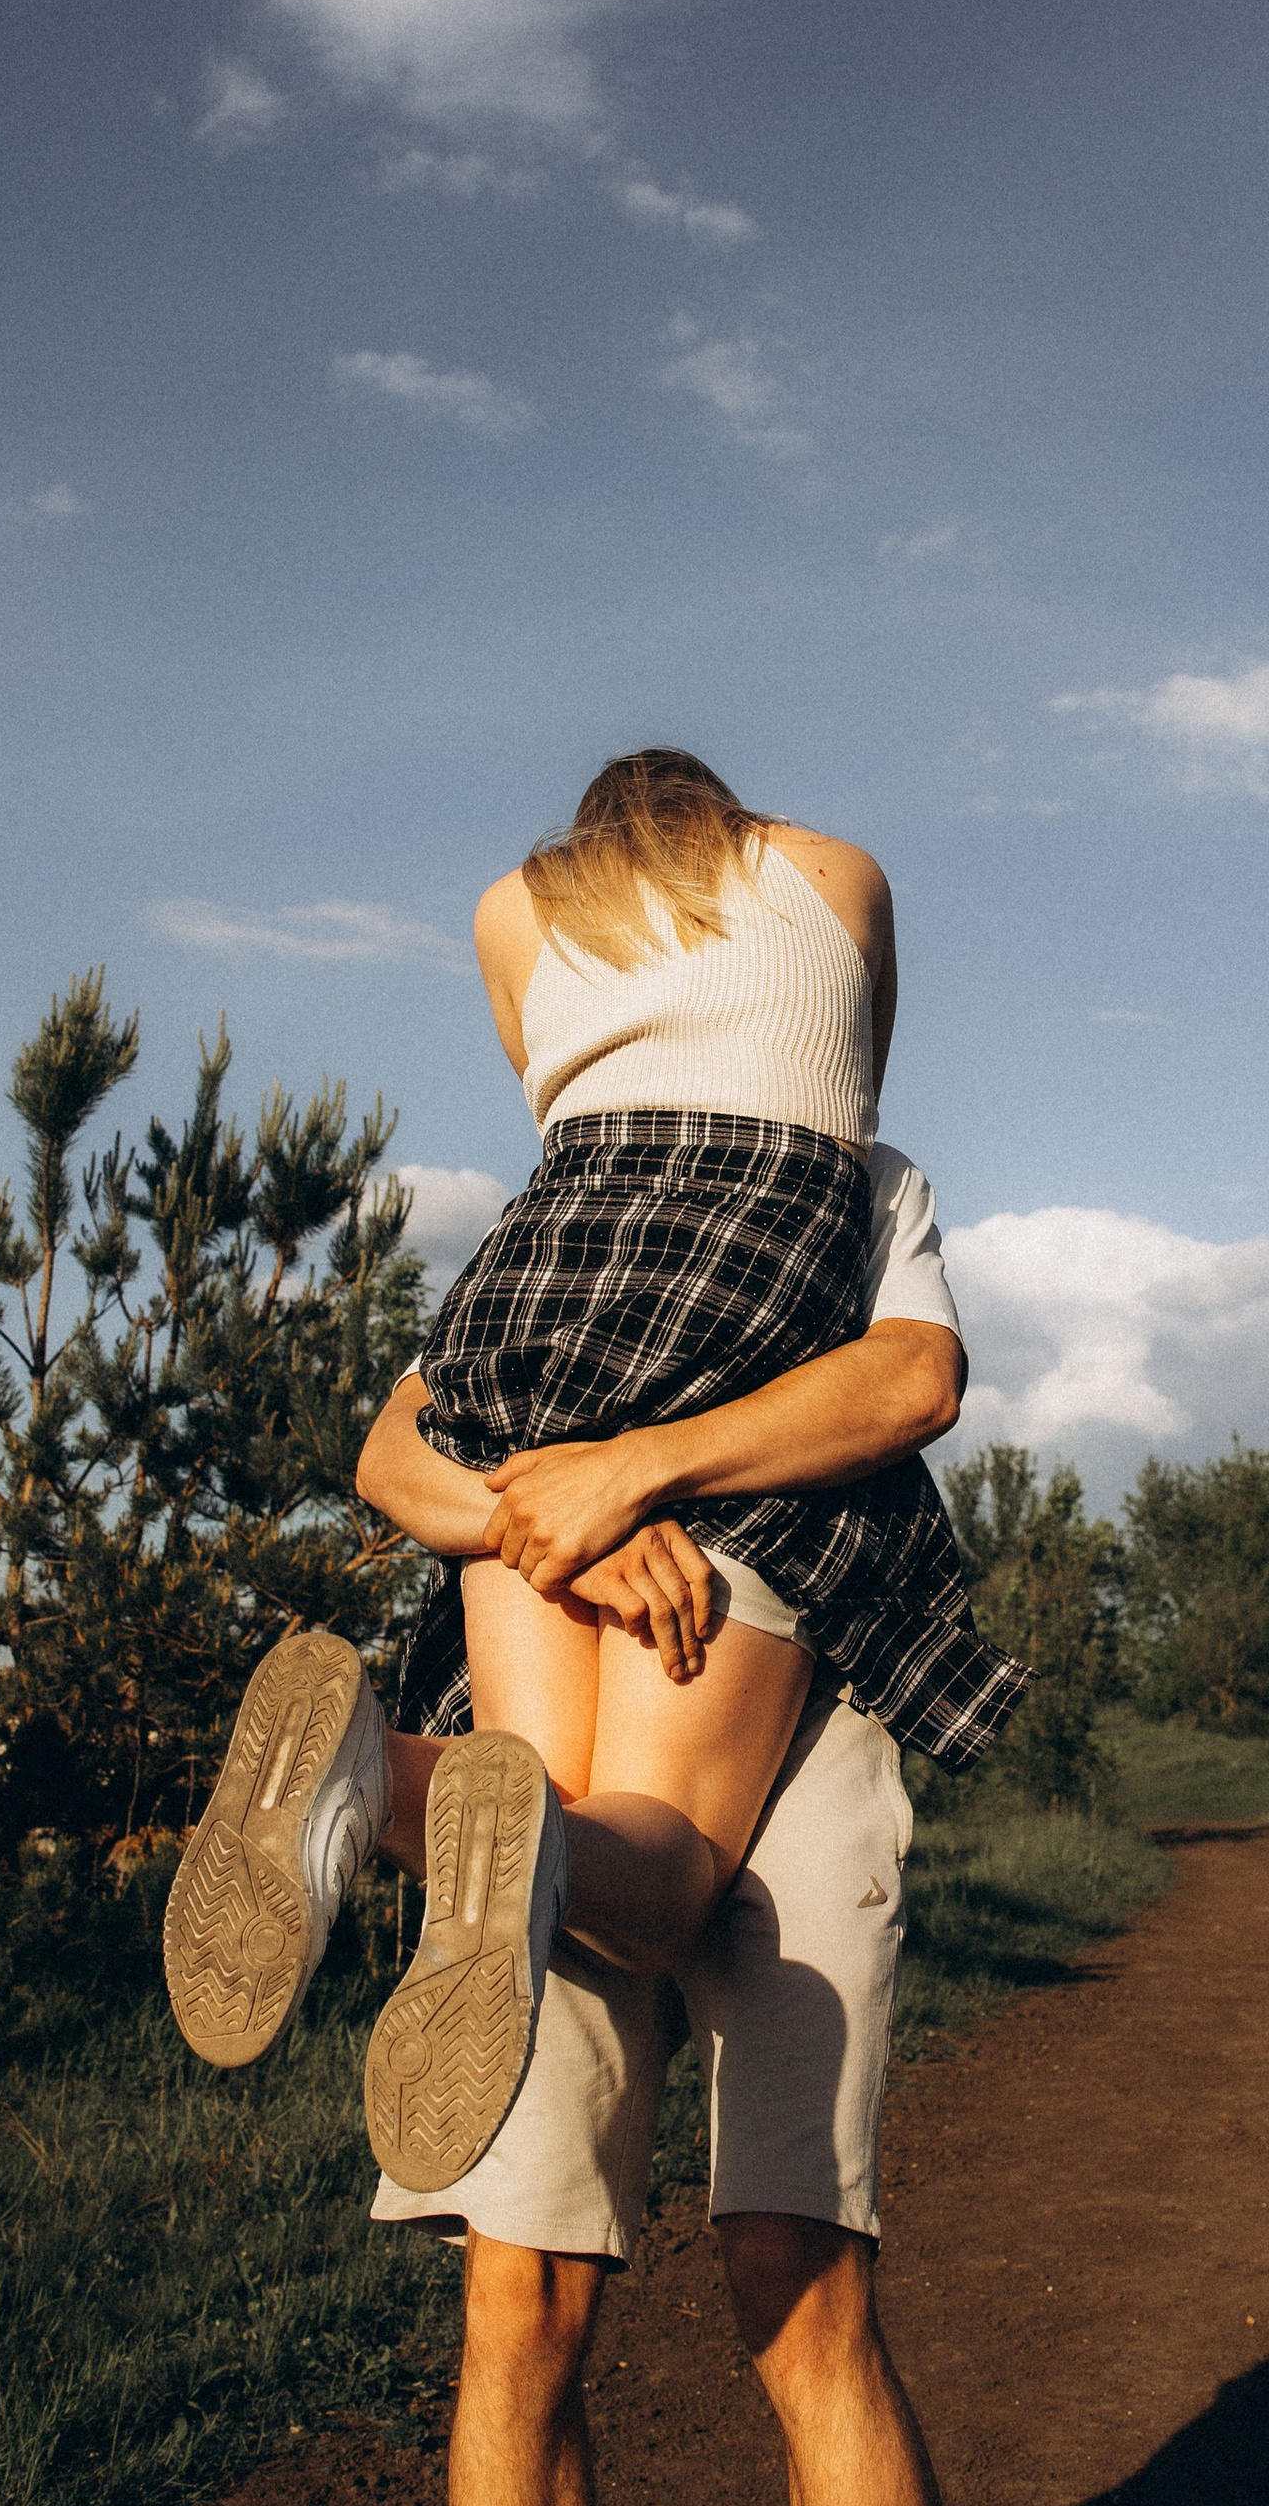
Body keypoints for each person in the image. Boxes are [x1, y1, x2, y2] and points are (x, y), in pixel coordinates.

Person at [358, 1144, 991, 2506]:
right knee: (522, 2298)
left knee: (800, 2290)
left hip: (789, 1718)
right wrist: (545, 1519)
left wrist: (636, 1469)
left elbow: (912, 1378)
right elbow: (402, 1446)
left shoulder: (853, 1171)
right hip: (554, 1736)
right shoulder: (589, 1181)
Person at [354, 750, 1023, 2204]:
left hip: (538, 1307)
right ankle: (413, 1790)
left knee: (536, 1795)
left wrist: (570, 1498)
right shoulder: (839, 874)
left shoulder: (510, 913)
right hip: (748, 1277)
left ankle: (380, 1772)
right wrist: (609, 1505)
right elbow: (852, 1089)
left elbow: (547, 1096)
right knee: (654, 1885)